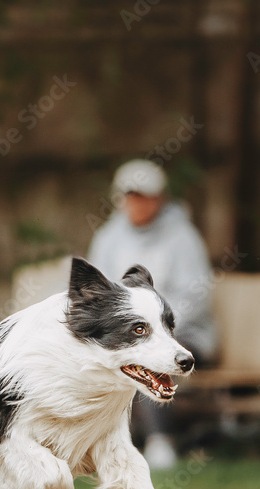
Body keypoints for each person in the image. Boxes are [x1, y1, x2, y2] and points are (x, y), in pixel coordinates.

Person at [88, 159, 217, 469]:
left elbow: (197, 294)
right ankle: (101, 442)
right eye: (131, 196)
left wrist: (158, 330)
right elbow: (99, 291)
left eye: (144, 196)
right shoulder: (108, 238)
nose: (137, 204)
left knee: (150, 353)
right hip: (128, 333)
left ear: (159, 198)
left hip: (184, 333)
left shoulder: (182, 237)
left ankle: (161, 440)